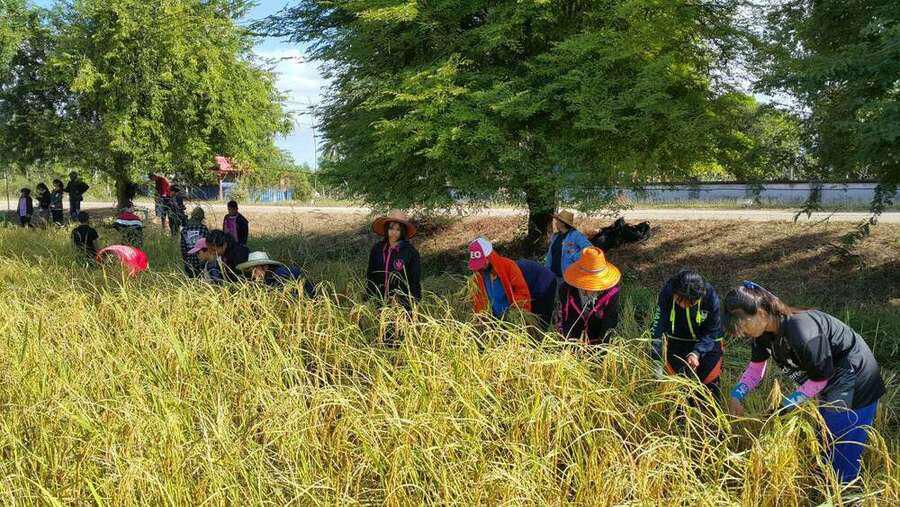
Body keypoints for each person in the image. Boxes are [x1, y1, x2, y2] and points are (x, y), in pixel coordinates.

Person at [724, 281, 885, 484]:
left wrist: (784, 407)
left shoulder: (801, 330)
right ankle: (826, 482)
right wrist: (736, 395)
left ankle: (846, 490)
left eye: (743, 325)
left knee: (841, 444)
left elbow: (819, 379)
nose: (741, 332)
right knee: (824, 438)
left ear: (761, 313)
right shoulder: (761, 334)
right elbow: (756, 370)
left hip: (854, 378)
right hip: (828, 379)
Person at [650, 269, 724, 399]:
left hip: (709, 341)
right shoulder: (668, 292)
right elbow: (658, 325)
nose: (684, 306)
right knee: (676, 388)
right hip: (677, 339)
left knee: (709, 388)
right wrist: (656, 355)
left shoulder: (710, 297)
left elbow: (712, 330)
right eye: (679, 301)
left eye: (690, 303)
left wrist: (697, 352)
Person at [556, 247, 621, 345]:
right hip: (571, 341)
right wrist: (565, 344)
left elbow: (609, 322)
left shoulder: (611, 293)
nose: (590, 289)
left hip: (597, 342)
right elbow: (562, 318)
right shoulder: (566, 289)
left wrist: (602, 349)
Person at [364, 210, 422, 310]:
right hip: (378, 301)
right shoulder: (377, 249)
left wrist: (412, 303)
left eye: (398, 229)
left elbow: (414, 281)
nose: (394, 232)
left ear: (403, 231)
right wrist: (368, 298)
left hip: (401, 305)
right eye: (391, 228)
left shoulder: (411, 253)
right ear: (386, 229)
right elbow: (370, 275)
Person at [469, 237, 532, 319]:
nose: (482, 266)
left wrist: (516, 312)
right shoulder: (478, 276)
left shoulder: (508, 266)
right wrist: (481, 318)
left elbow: (521, 291)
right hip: (493, 320)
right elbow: (478, 301)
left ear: (490, 256)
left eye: (483, 262)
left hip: (512, 317)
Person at [237, 251, 315, 297]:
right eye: (251, 271)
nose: (253, 275)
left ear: (265, 267)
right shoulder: (268, 277)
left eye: (254, 270)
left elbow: (290, 297)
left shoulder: (281, 275)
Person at [545, 209, 593, 279]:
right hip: (552, 276)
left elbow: (590, 251)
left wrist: (574, 256)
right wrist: (546, 271)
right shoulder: (556, 236)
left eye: (557, 221)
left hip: (568, 277)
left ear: (562, 223)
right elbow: (550, 255)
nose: (555, 223)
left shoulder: (575, 235)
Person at [515, 259, 558, 329]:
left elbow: (523, 296)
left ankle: (542, 332)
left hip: (546, 282)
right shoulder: (511, 269)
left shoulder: (513, 272)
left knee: (542, 316)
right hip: (535, 283)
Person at [180, 207, 209, 278]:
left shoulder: (184, 230)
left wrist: (185, 260)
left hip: (188, 261)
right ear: (201, 218)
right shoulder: (203, 229)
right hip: (201, 262)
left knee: (191, 280)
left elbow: (183, 248)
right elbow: (207, 246)